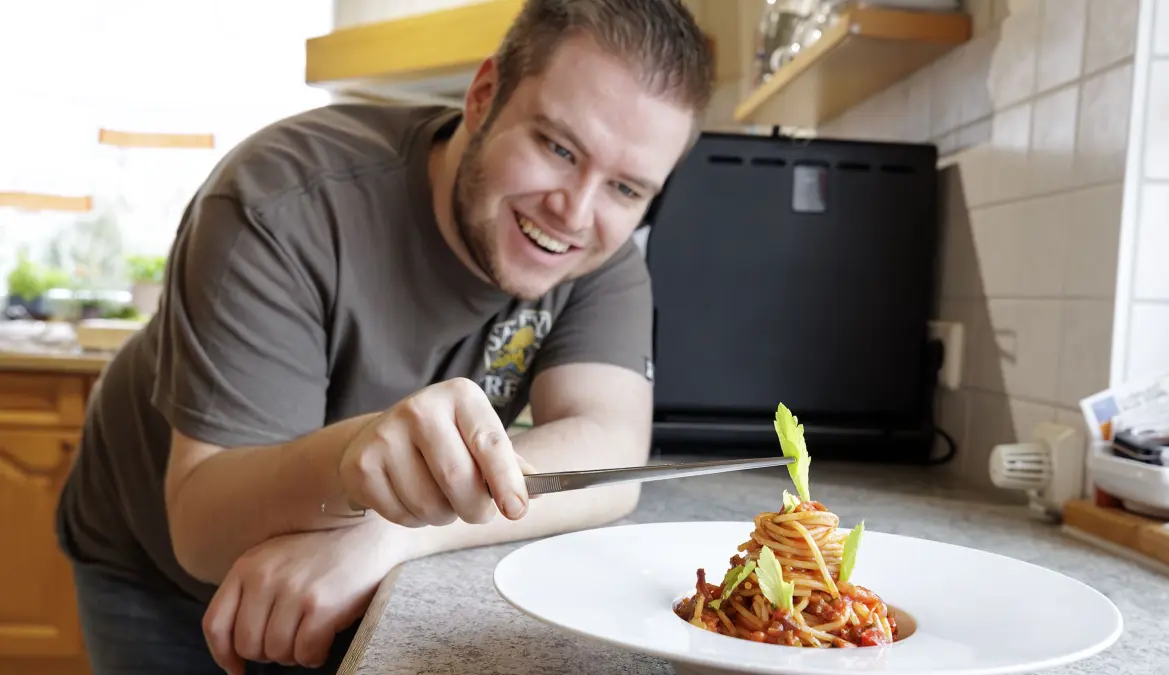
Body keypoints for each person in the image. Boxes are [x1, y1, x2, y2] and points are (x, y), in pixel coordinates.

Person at [53, 0, 714, 673]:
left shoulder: (600, 258)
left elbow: (609, 452)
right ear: (484, 97)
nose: (575, 212)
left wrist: (387, 532)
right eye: (557, 146)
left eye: (626, 189)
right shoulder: (278, 202)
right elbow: (199, 526)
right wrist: (353, 464)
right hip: (151, 563)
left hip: (334, 557)